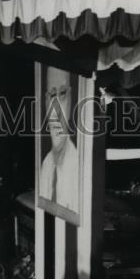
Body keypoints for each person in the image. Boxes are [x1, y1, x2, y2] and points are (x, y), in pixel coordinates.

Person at [38, 66, 80, 220]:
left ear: (70, 98)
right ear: (45, 101)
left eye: (62, 94)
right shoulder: (46, 165)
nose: (56, 109)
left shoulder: (79, 166)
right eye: (52, 96)